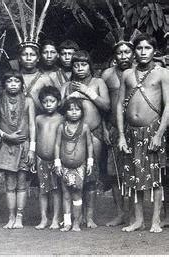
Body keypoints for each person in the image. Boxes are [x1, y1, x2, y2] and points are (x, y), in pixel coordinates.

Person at [117, 33, 169, 233]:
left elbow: (167, 106)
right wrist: (121, 135)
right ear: (134, 52)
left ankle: (155, 220)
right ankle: (138, 220)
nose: (143, 52)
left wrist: (158, 134)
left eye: (147, 48)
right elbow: (119, 106)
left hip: (153, 130)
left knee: (155, 177)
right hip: (131, 133)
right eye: (139, 48)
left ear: (154, 51)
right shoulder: (127, 74)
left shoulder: (162, 73)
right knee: (132, 177)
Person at [62, 50, 110, 228]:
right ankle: (76, 216)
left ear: (90, 65)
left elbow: (106, 106)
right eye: (76, 65)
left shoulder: (98, 82)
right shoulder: (67, 85)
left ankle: (89, 217)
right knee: (73, 176)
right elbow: (59, 108)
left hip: (94, 132)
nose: (80, 68)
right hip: (71, 135)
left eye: (83, 64)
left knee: (91, 176)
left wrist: (87, 92)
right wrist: (69, 97)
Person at [0, 69, 36, 229]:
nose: (13, 84)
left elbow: (32, 125)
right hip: (7, 145)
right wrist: (6, 136)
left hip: (24, 146)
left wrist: (32, 148)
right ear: (4, 84)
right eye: (9, 81)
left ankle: (19, 216)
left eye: (16, 81)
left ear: (21, 84)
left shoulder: (28, 101)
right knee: (9, 184)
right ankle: (10, 216)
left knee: (21, 183)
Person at [101, 40, 134, 227]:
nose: (124, 56)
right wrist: (105, 129)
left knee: (134, 172)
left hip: (135, 128)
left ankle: (133, 215)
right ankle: (121, 213)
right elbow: (104, 106)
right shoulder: (107, 75)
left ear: (133, 53)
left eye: (127, 52)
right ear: (115, 56)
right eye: (120, 53)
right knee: (114, 174)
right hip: (114, 128)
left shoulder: (139, 74)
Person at [55, 98, 94, 232]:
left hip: (79, 167)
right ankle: (67, 223)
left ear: (82, 112)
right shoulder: (61, 127)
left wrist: (90, 162)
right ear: (65, 112)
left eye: (77, 109)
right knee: (66, 195)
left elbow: (89, 145)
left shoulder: (84, 127)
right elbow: (57, 145)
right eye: (70, 109)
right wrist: (57, 162)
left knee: (77, 193)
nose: (74, 112)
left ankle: (76, 223)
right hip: (64, 166)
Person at [34, 86, 63, 230]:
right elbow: (34, 137)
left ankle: (56, 219)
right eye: (45, 102)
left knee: (57, 190)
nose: (48, 104)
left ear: (58, 102)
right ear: (41, 103)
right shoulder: (38, 119)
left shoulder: (62, 119)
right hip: (41, 159)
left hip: (57, 161)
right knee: (43, 190)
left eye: (52, 101)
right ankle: (44, 218)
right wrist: (34, 156)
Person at [18, 44, 61, 112]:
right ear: (19, 58)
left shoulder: (45, 79)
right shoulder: (15, 78)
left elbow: (54, 100)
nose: (28, 58)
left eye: (32, 55)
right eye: (24, 54)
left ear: (38, 58)